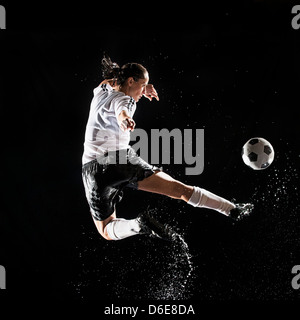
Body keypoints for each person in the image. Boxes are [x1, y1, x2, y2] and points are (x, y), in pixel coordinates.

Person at [82, 55, 253, 241]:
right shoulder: (126, 100)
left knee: (106, 230)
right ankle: (232, 210)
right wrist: (125, 120)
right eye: (142, 85)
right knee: (180, 191)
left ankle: (137, 225)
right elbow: (121, 109)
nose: (141, 93)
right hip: (119, 160)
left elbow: (113, 83)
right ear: (131, 81)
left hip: (91, 170)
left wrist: (143, 87)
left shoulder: (102, 89)